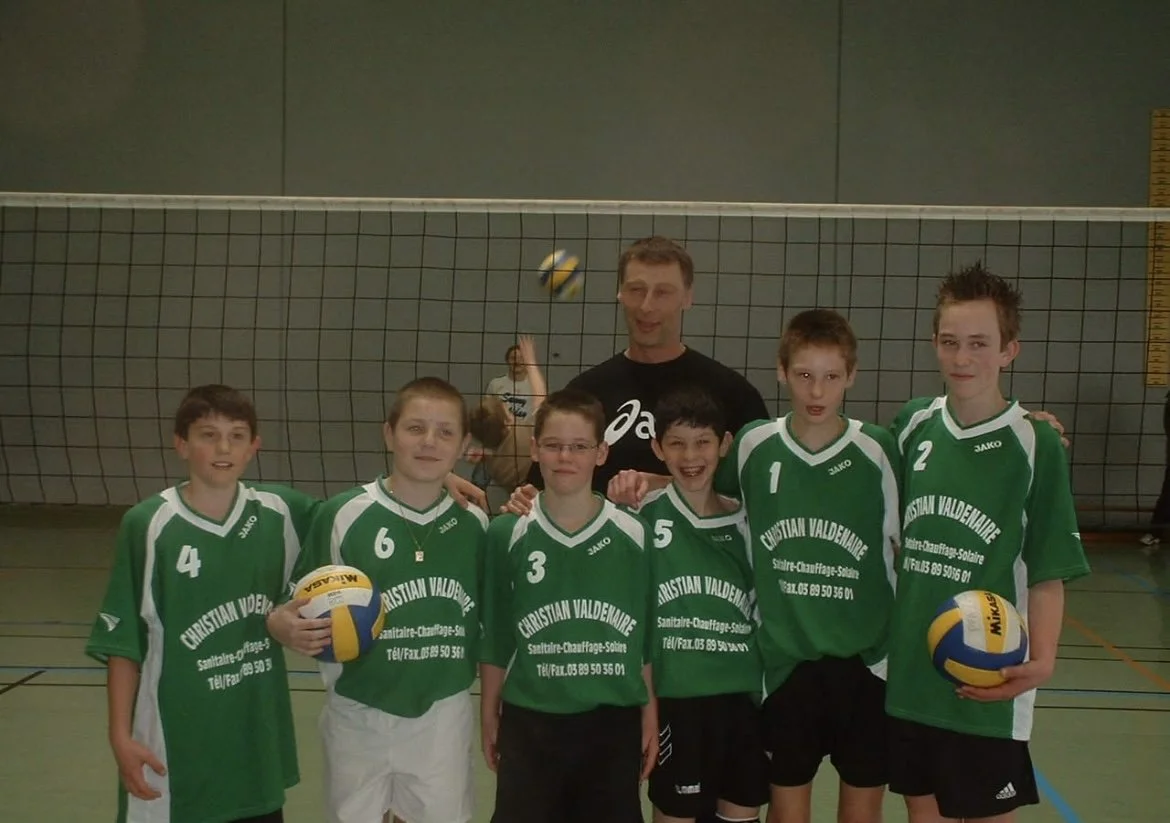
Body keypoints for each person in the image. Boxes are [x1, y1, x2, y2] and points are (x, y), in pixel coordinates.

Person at [615, 311, 901, 823]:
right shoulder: (752, 444)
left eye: (832, 376)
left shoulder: (878, 450)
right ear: (781, 371)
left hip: (867, 665)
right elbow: (697, 480)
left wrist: (1028, 419)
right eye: (804, 374)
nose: (817, 389)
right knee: (787, 805)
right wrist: (640, 481)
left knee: (862, 808)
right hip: (784, 665)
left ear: (852, 376)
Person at [886, 262, 1090, 822]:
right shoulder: (912, 426)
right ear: (934, 343)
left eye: (979, 343)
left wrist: (1043, 660)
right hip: (912, 676)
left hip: (990, 675)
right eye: (950, 342)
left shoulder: (1035, 444)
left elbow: (1048, 567)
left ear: (1009, 350)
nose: (961, 358)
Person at [85, 384, 317, 823]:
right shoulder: (149, 525)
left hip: (255, 744)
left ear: (254, 447)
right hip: (173, 746)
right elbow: (123, 644)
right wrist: (119, 735)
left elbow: (357, 516)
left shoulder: (281, 511)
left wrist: (435, 478)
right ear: (182, 444)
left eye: (236, 435)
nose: (223, 447)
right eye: (208, 435)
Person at [271, 376, 488, 823]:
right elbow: (292, 606)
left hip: (442, 715)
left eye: (445, 432)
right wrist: (282, 624)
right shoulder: (342, 515)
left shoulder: (476, 526)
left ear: (464, 444)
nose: (429, 442)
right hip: (357, 712)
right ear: (389, 433)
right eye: (415, 429)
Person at [480, 388, 657, 822]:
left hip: (611, 721)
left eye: (579, 447)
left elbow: (645, 635)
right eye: (554, 445)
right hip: (531, 720)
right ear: (535, 449)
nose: (565, 457)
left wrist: (649, 712)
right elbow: (498, 632)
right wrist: (488, 709)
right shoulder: (507, 532)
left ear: (601, 453)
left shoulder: (634, 533)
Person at [520, 235, 770, 495]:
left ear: (687, 297)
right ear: (620, 293)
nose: (647, 306)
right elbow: (541, 490)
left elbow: (761, 490)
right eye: (636, 290)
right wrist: (525, 500)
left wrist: (661, 486)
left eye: (662, 292)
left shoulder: (732, 394)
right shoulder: (585, 393)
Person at [633, 386, 770, 823]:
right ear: (658, 448)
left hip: (742, 703)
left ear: (724, 444)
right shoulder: (641, 518)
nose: (690, 455)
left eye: (702, 442)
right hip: (677, 702)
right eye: (676, 443)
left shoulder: (747, 523)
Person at [470, 335, 548, 493]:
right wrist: (531, 363)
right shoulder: (525, 436)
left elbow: (498, 448)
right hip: (542, 489)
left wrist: (486, 453)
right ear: (507, 421)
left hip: (518, 493)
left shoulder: (494, 464)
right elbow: (540, 398)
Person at [486, 341, 536, 422]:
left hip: (527, 432)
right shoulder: (495, 384)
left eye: (521, 358)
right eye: (513, 358)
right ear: (507, 361)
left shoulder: (536, 385)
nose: (517, 362)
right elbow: (487, 411)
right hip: (501, 431)